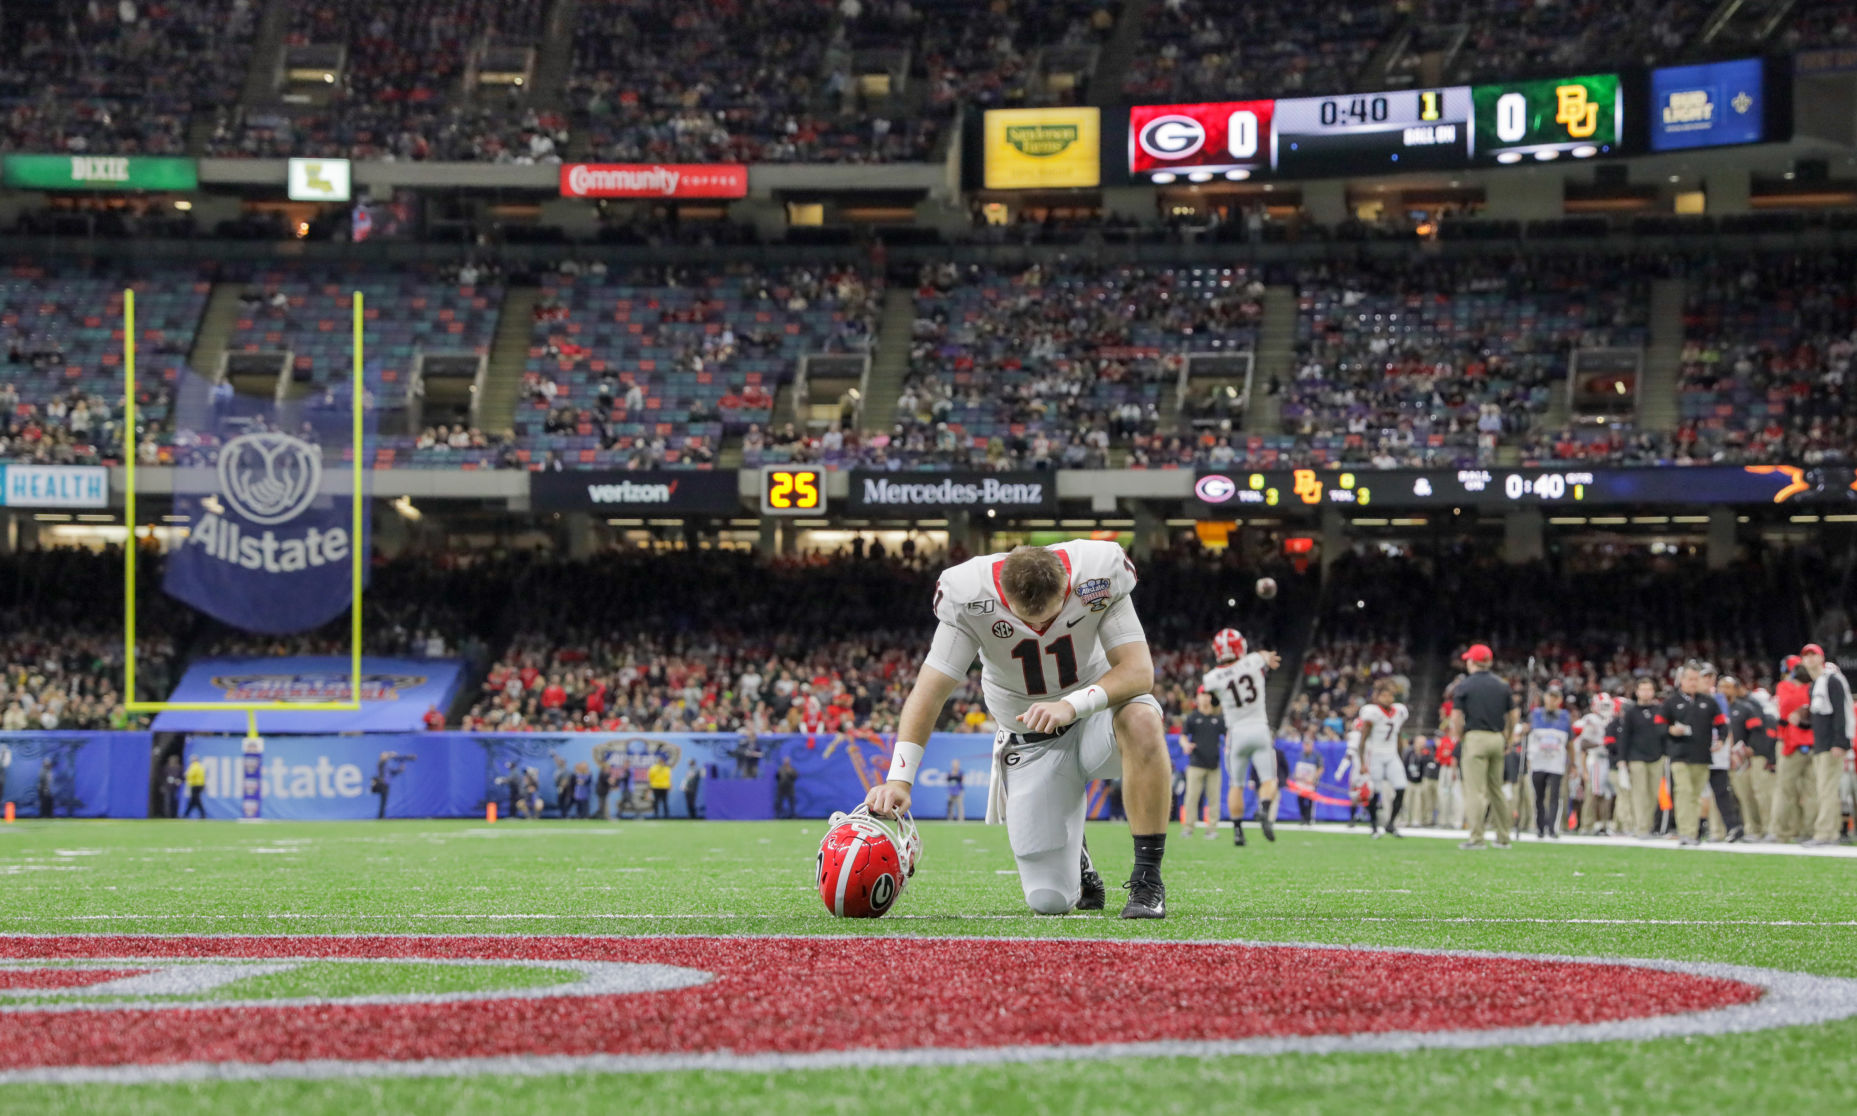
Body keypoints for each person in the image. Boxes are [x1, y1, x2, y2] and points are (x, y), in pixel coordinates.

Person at [863, 541, 1172, 918]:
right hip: (1030, 743)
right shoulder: (969, 595)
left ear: (1066, 588)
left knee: (1142, 718)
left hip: (1096, 721)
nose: (1039, 627)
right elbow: (929, 693)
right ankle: (1078, 859)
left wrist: (1070, 705)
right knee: (1049, 900)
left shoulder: (1098, 575)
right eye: (1028, 619)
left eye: (1048, 616)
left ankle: (1147, 881)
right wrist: (900, 779)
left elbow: (1140, 672)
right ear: (1004, 597)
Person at [1203, 629, 1281, 846]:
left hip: (1236, 733)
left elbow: (1212, 703)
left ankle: (1238, 832)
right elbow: (1264, 656)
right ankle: (1264, 808)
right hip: (1259, 728)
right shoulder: (1254, 661)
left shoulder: (1211, 678)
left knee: (1236, 785)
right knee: (1268, 780)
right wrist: (1266, 656)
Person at [1447, 644, 1516, 850]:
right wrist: (1509, 737)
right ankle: (1503, 837)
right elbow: (1513, 714)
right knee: (1497, 790)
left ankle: (1477, 838)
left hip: (1475, 737)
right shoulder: (1502, 685)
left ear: (1471, 662)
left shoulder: (1465, 685)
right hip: (1497, 738)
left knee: (1475, 791)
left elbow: (1456, 716)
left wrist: (1460, 737)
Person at [1656, 662, 1730, 847]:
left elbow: (1722, 723)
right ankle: (1686, 832)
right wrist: (1670, 730)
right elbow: (1658, 725)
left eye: (1696, 679)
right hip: (1679, 755)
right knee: (1684, 792)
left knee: (1696, 795)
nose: (1693, 682)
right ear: (1682, 680)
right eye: (1690, 679)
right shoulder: (1672, 702)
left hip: (1702, 756)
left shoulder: (1709, 702)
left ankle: (1693, 831)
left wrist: (1721, 739)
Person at [1800, 643, 1853, 847]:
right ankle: (1828, 833)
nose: (1810, 659)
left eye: (1813, 655)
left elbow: (1842, 711)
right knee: (1824, 790)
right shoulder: (1815, 685)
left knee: (1827, 790)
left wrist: (1841, 742)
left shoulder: (1832, 680)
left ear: (1821, 658)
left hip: (1832, 744)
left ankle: (1825, 834)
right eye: (1806, 656)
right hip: (1821, 744)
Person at [1347, 678, 1409, 839]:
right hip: (1375, 755)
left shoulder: (1399, 711)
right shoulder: (1372, 712)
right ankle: (1374, 826)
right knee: (1375, 791)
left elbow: (1399, 737)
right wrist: (1361, 762)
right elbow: (1363, 739)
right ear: (1377, 697)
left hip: (1392, 754)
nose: (1389, 699)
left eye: (1391, 695)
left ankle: (1390, 824)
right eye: (1385, 695)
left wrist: (1400, 757)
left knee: (1401, 787)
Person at [1723, 676, 1774, 841]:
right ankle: (1752, 829)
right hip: (1726, 759)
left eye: (1728, 687)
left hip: (1747, 758)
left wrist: (1752, 748)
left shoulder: (1747, 707)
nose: (1724, 691)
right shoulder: (1717, 709)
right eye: (1721, 687)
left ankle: (1768, 829)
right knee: (1743, 796)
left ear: (1736, 689)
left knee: (1759, 794)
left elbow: (1758, 730)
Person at [1613, 677, 1665, 838]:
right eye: (1643, 689)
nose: (1646, 692)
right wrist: (1622, 759)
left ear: (1653, 691)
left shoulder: (1660, 710)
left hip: (1657, 757)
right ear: (1637, 692)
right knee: (1639, 793)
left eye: (1649, 689)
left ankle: (1647, 825)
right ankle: (1640, 827)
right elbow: (1624, 737)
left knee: (1653, 794)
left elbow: (1664, 733)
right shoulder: (1631, 712)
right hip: (1636, 757)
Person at [1772, 655, 1816, 842]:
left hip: (1791, 744)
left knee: (1785, 790)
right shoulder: (1815, 687)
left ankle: (1779, 832)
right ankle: (1808, 832)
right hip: (1814, 743)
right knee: (1812, 791)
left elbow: (1784, 711)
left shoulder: (1784, 687)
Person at [1522, 687, 1572, 839]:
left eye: (1555, 698)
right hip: (1538, 762)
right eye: (1550, 697)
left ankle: (1552, 828)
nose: (1552, 701)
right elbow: (1527, 734)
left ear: (1560, 700)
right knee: (1539, 795)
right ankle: (1540, 826)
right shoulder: (1535, 714)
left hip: (1556, 762)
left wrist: (1573, 764)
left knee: (1555, 796)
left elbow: (1570, 742)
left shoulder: (1564, 716)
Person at [1179, 689, 1224, 841]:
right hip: (1196, 764)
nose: (1205, 698)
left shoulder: (1218, 718)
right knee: (1191, 797)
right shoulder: (1193, 717)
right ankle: (1188, 827)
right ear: (1197, 697)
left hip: (1213, 765)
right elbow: (1183, 736)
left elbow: (1228, 733)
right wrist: (1186, 745)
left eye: (1207, 695)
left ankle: (1212, 829)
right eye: (1202, 694)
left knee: (1214, 799)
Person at [182, 754, 207, 818]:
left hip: (195, 785)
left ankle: (202, 814)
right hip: (200, 785)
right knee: (194, 800)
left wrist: (185, 775)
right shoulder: (200, 766)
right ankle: (186, 814)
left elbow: (189, 774)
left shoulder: (194, 766)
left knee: (196, 800)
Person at [947, 758, 966, 822]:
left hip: (958, 791)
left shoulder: (961, 772)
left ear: (958, 764)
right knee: (950, 806)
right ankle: (950, 818)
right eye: (954, 764)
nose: (955, 765)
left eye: (956, 764)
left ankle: (961, 819)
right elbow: (947, 780)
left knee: (959, 806)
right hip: (951, 791)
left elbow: (963, 780)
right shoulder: (950, 772)